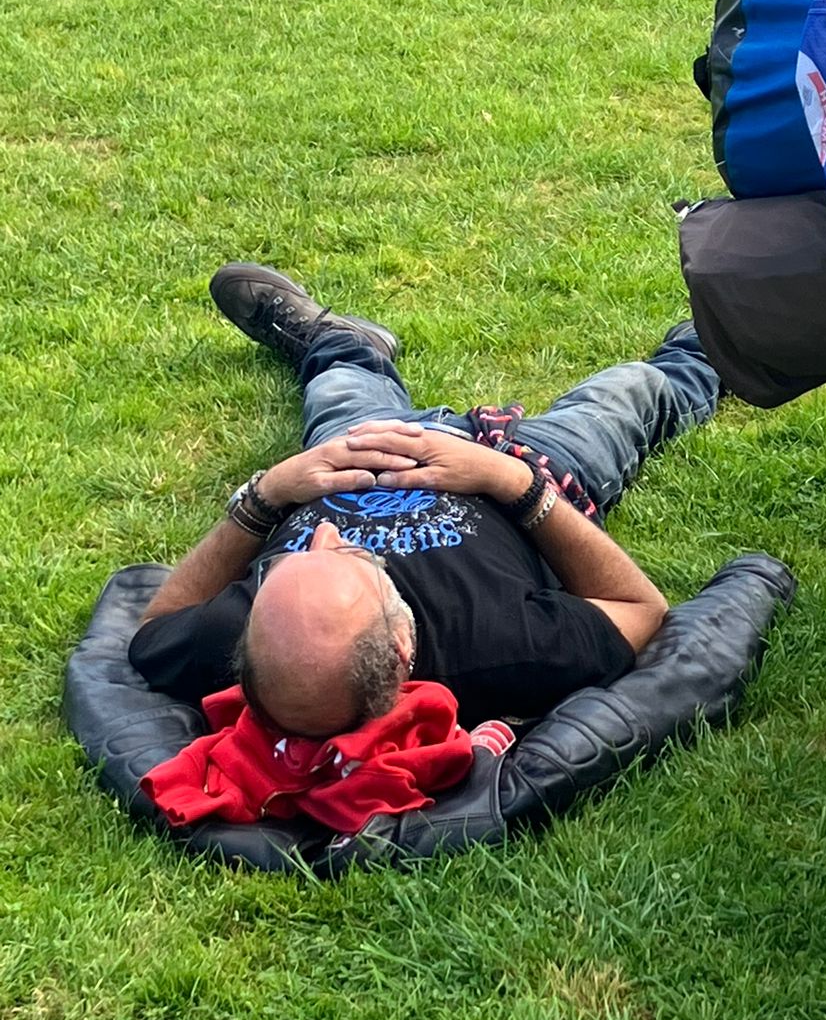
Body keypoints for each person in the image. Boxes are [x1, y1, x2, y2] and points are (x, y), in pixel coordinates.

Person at [129, 265, 720, 741]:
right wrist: (511, 481)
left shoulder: (253, 642)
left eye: (283, 565)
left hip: (359, 452)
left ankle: (342, 344)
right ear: (402, 645)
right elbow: (639, 605)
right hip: (528, 466)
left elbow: (157, 626)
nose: (322, 538)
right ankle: (724, 331)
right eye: (351, 562)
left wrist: (269, 496)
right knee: (632, 391)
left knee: (338, 382)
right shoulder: (502, 650)